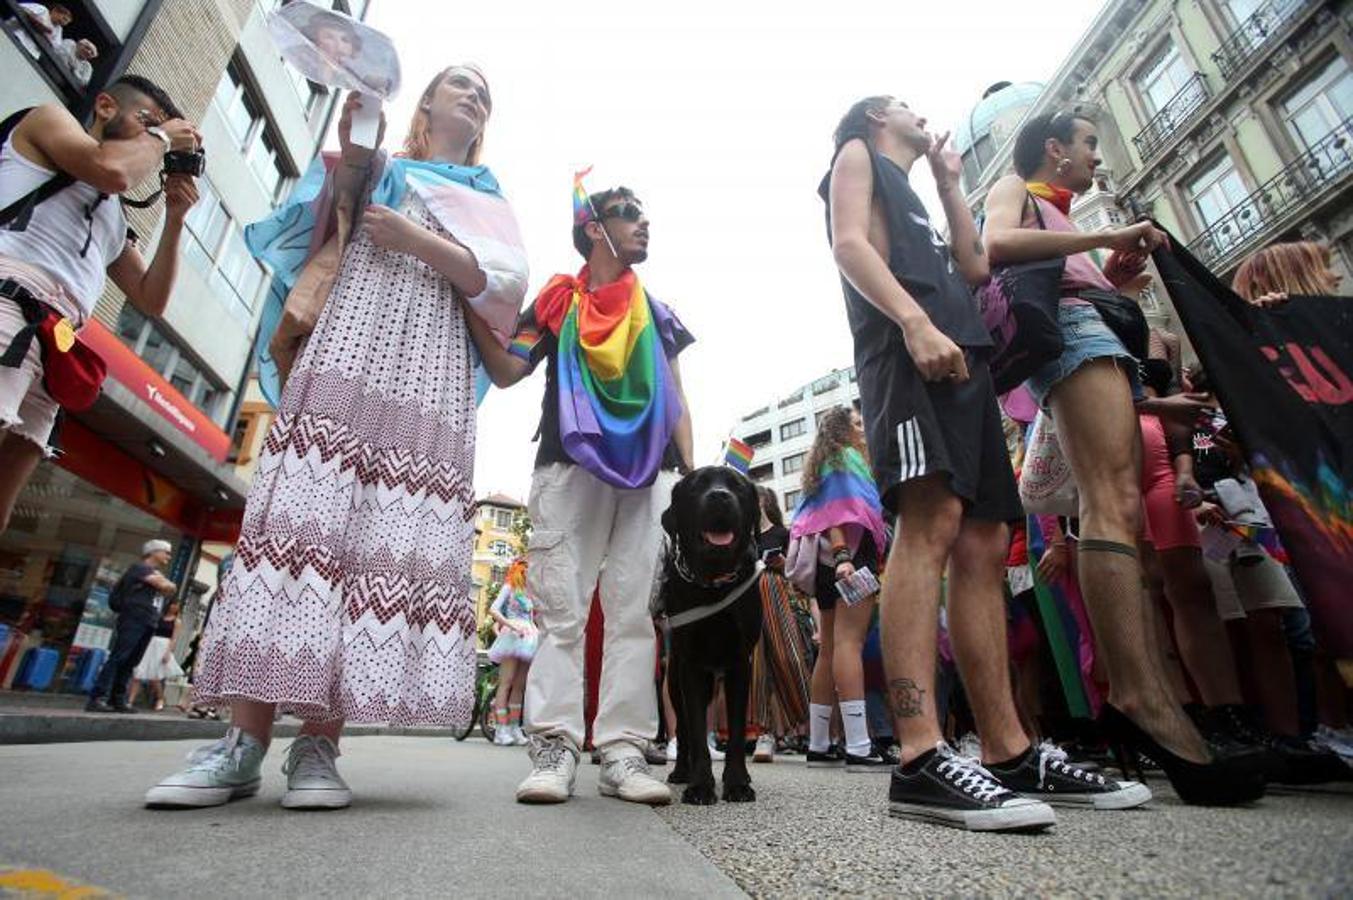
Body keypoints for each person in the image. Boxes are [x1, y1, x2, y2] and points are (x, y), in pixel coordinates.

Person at [145, 65, 527, 810]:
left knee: (374, 547)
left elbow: (504, 287)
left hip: (430, 370)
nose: (475, 92)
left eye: (486, 89)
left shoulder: (487, 197)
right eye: (458, 81)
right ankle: (242, 744)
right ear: (426, 101)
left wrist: (419, 239)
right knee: (301, 531)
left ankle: (319, 746)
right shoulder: (385, 163)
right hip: (349, 343)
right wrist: (360, 129)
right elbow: (332, 204)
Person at [823, 96, 1150, 831]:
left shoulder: (915, 189)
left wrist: (946, 183)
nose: (918, 109)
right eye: (903, 102)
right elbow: (848, 246)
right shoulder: (856, 155)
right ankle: (919, 754)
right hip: (906, 354)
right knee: (930, 522)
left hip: (965, 359)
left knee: (980, 538)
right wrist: (911, 322)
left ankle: (1007, 749)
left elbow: (973, 265)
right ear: (877, 114)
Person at [983, 110, 1265, 805]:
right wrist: (1108, 235)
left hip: (1096, 329)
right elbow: (995, 243)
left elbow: (1065, 274)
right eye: (1085, 146)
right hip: (1075, 336)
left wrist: (1116, 276)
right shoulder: (1016, 189)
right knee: (1109, 504)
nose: (1094, 161)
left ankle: (1148, 693)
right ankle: (1142, 696)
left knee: (1121, 509)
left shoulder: (1061, 222)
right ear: (1052, 149)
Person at [472, 184, 694, 807]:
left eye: (644, 212)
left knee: (632, 615)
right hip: (569, 465)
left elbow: (675, 398)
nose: (644, 222)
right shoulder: (556, 303)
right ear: (593, 228)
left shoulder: (658, 311)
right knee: (562, 613)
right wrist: (471, 304)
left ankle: (623, 751)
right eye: (629, 214)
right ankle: (554, 748)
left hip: (652, 473)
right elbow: (509, 370)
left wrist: (691, 474)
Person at [1, 76, 200, 536]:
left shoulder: (114, 212)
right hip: (11, 299)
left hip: (58, 342)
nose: (151, 135)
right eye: (145, 121)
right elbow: (111, 170)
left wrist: (174, 219)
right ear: (106, 106)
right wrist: (165, 135)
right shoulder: (48, 121)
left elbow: (152, 299)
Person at [786, 405, 891, 771]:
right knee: (849, 645)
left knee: (830, 649)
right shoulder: (846, 459)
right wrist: (846, 555)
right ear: (841, 430)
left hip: (825, 567)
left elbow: (822, 514)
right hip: (850, 560)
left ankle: (818, 744)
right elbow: (838, 515)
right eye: (858, 424)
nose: (864, 429)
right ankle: (860, 745)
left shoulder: (822, 465)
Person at [748, 485, 812, 763]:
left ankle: (812, 728)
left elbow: (797, 572)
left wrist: (782, 563)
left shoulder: (783, 533)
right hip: (750, 601)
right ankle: (765, 734)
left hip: (780, 600)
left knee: (791, 660)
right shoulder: (743, 538)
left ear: (764, 501)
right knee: (758, 667)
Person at [87, 539, 178, 714]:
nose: (169, 555)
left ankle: (118, 699)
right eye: (165, 551)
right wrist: (163, 582)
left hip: (148, 621)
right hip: (133, 619)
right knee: (119, 657)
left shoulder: (152, 572)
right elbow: (164, 586)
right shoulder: (140, 569)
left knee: (131, 661)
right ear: (153, 552)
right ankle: (97, 697)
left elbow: (171, 589)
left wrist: (165, 583)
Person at [487, 559, 536, 747]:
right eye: (527, 569)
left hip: (529, 637)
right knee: (506, 683)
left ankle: (515, 727)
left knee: (519, 686)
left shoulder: (532, 592)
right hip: (512, 636)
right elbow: (493, 609)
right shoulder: (510, 587)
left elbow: (533, 616)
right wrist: (509, 625)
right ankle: (501, 729)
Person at [128, 599, 184, 711]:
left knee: (155, 677)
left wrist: (168, 653)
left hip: (163, 646)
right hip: (151, 645)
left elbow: (174, 639)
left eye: (177, 606)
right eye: (173, 604)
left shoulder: (177, 621)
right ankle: (130, 701)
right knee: (138, 672)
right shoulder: (159, 618)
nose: (174, 607)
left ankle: (160, 698)